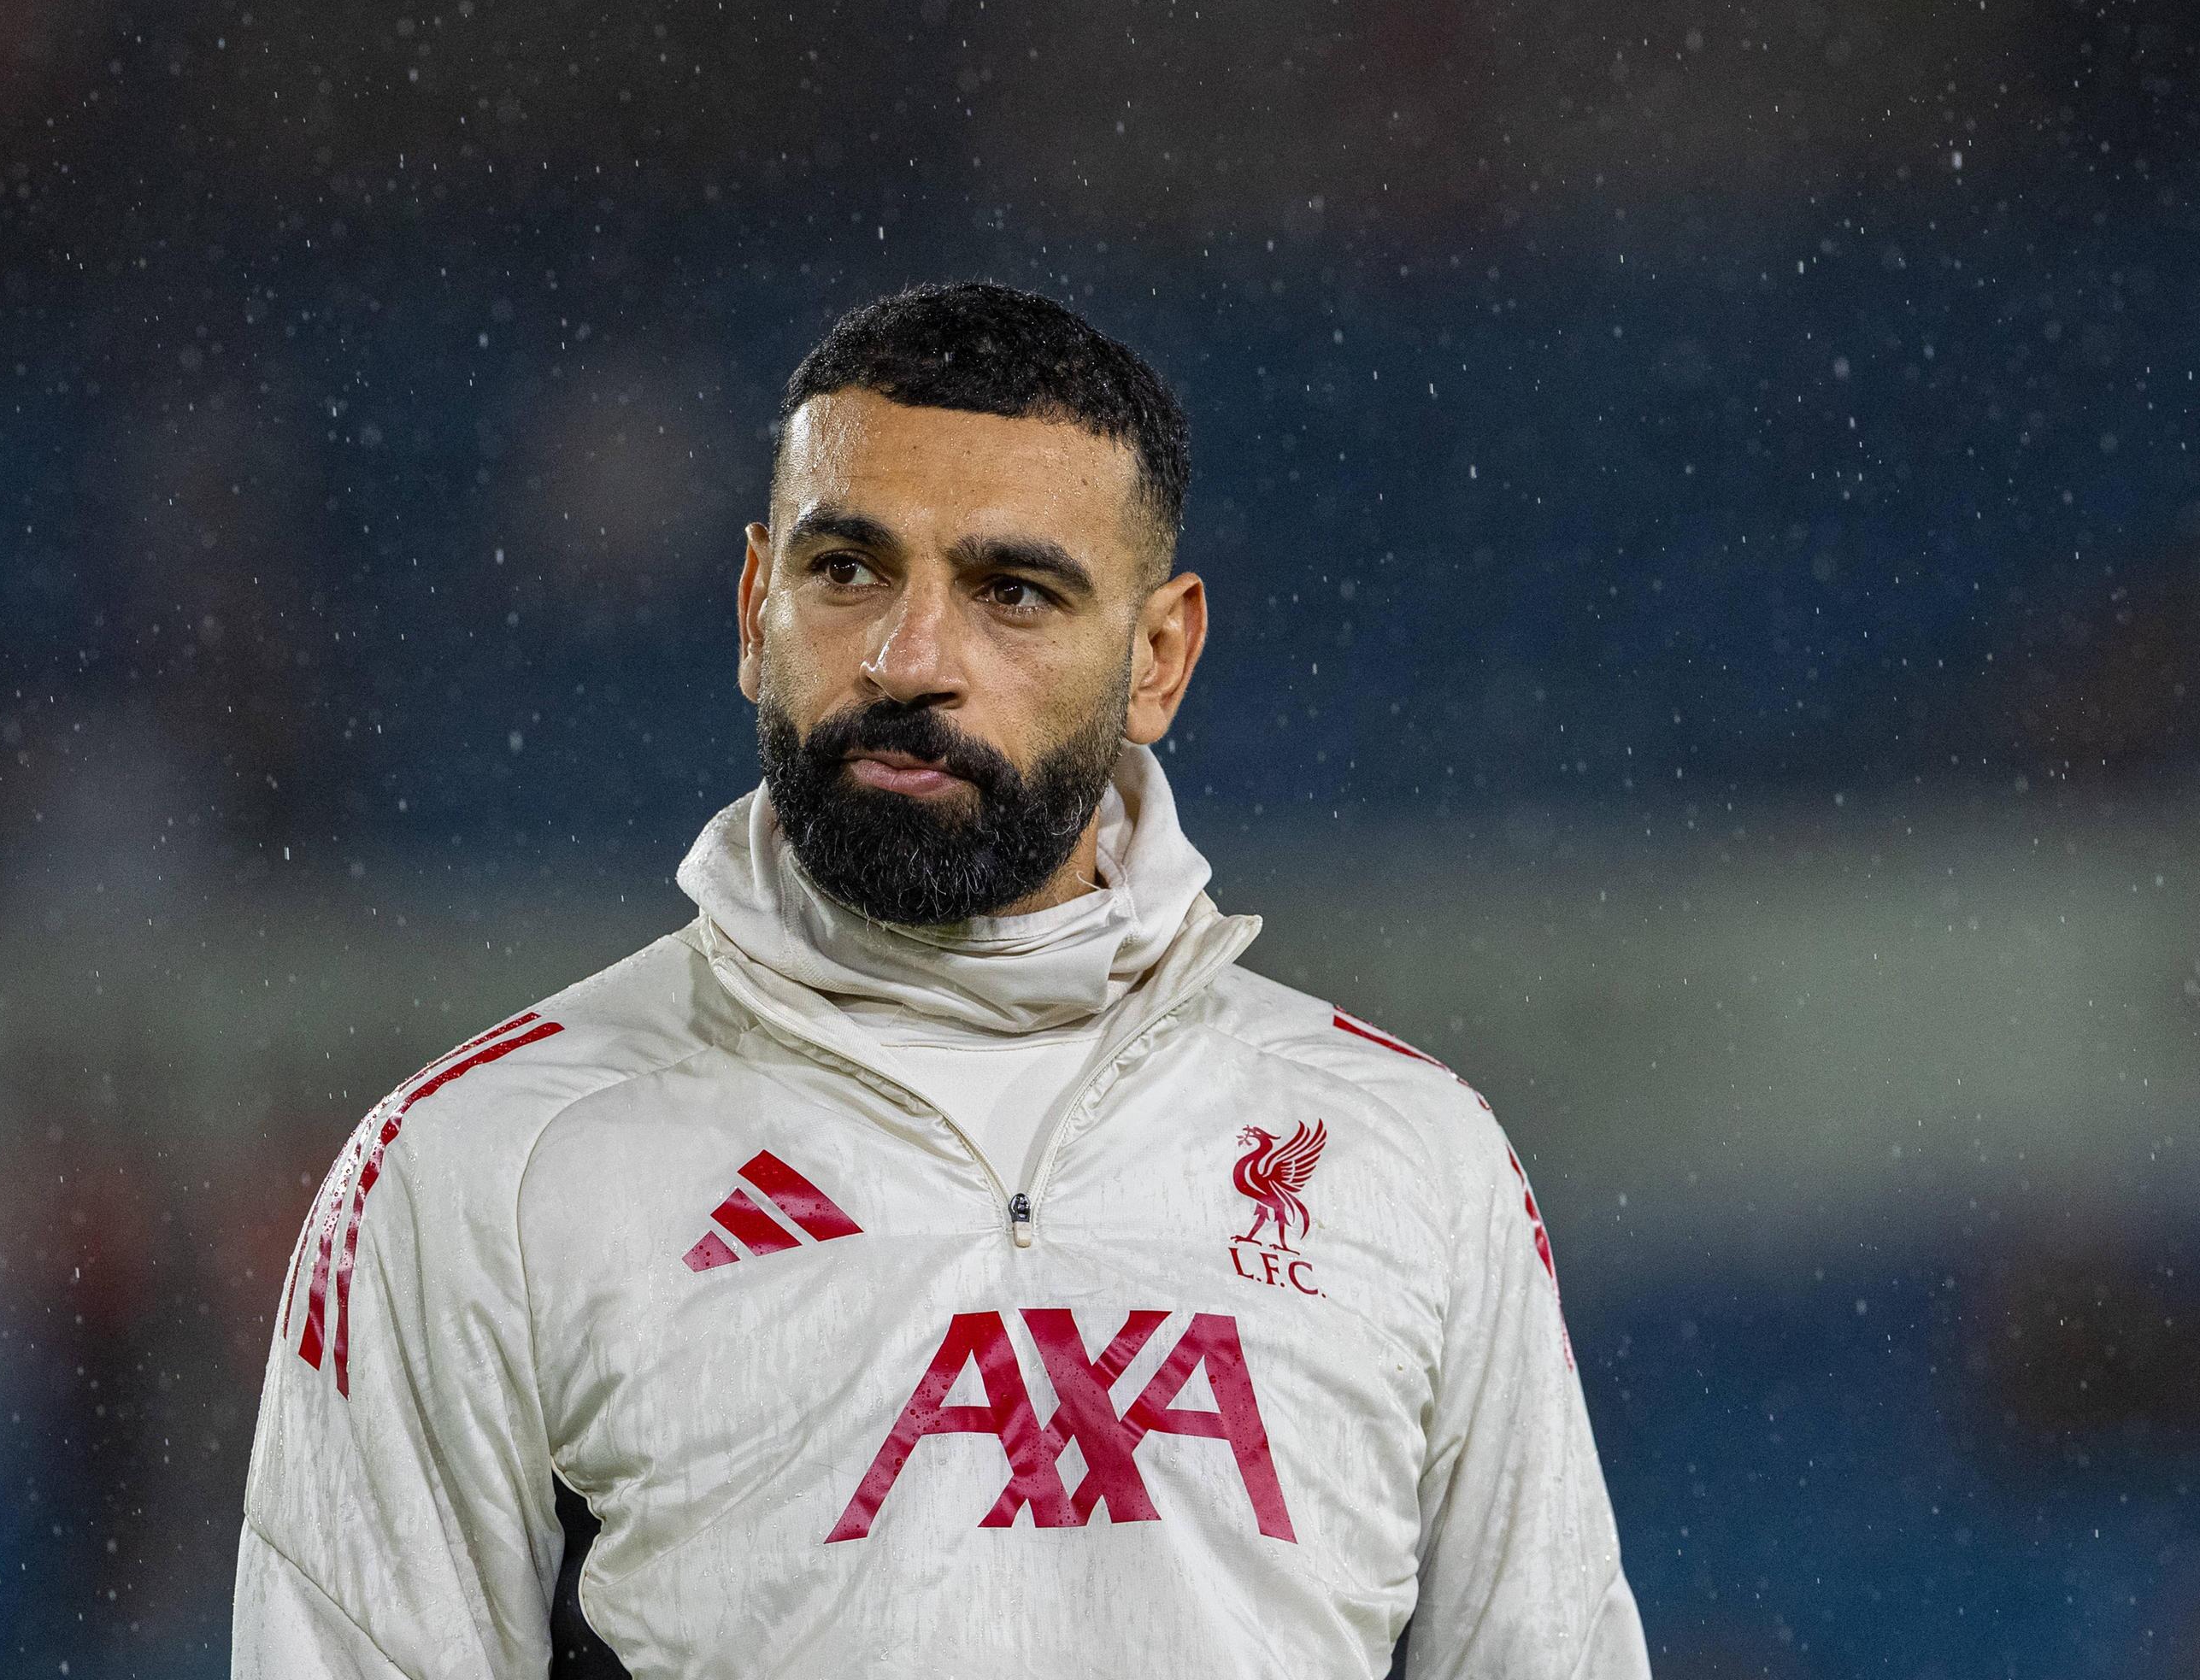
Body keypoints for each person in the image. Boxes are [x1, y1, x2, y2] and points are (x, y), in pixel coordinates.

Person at [232, 281, 1650, 1677]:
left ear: (1157, 658)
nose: (909, 660)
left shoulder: (1409, 1157)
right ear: (754, 607)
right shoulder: (481, 1165)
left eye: (1012, 592)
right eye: (847, 572)